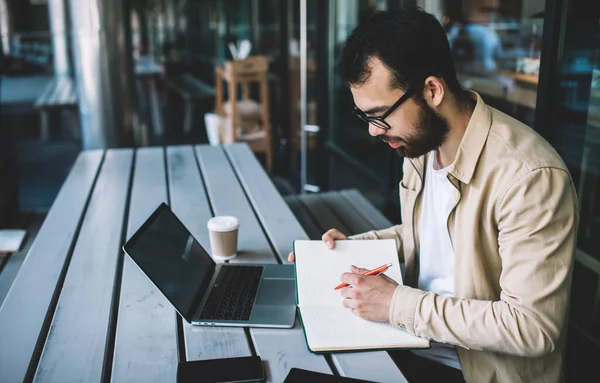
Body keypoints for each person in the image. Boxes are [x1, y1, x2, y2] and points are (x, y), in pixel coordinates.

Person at [288, 8, 577, 383]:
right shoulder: (421, 145)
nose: (375, 132)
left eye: (381, 115)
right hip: (409, 340)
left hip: (469, 370)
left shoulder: (529, 177)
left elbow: (533, 327)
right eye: (366, 118)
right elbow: (428, 235)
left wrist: (395, 304)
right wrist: (349, 251)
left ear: (432, 90)